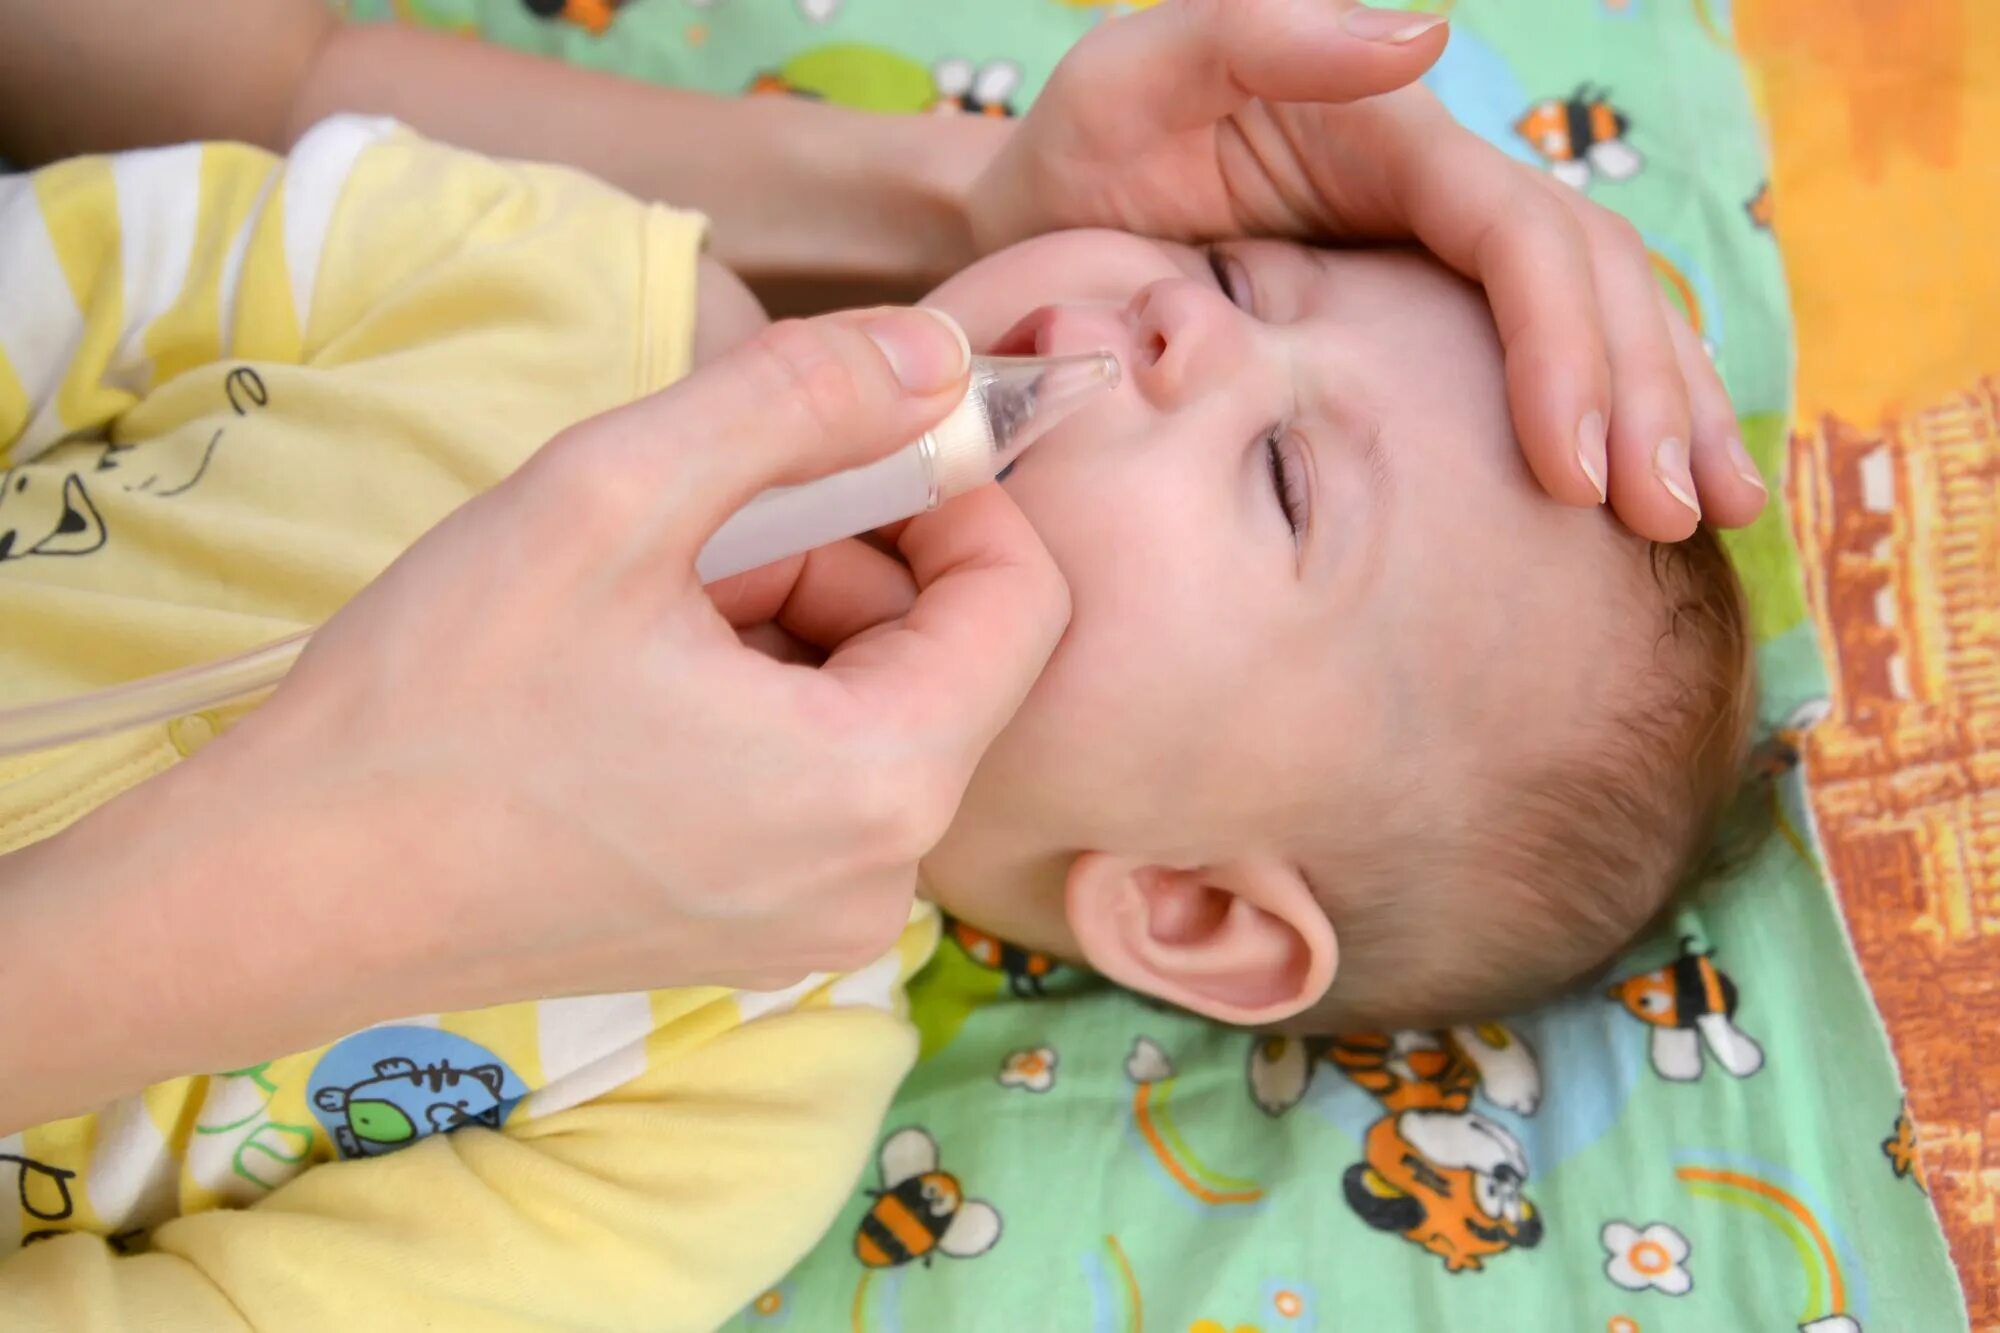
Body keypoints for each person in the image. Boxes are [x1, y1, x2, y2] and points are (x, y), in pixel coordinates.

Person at [0, 104, 1754, 1325]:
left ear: (1193, 907)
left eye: (1288, 478)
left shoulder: (720, 1111)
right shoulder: (568, 283)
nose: (1172, 327)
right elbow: (89, 264)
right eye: (1228, 273)